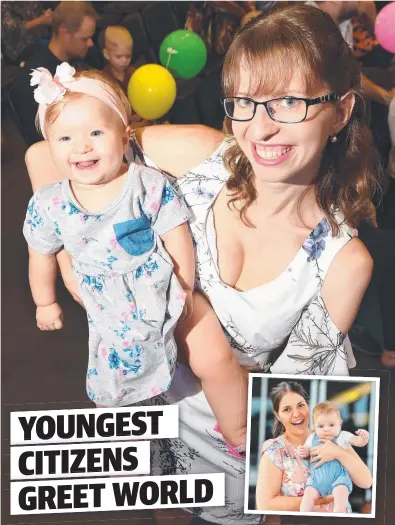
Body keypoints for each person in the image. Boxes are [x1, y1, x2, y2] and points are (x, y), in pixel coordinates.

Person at [25, 5, 376, 523]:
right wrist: (82, 276)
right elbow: (41, 156)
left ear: (341, 111)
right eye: (244, 102)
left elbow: (288, 425)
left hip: (232, 460)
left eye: (288, 101)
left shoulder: (342, 260)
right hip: (148, 416)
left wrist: (200, 323)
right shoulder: (196, 155)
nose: (260, 129)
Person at [22, 64, 247, 449]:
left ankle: (240, 431)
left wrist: (185, 287)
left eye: (96, 132)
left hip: (163, 289)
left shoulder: (145, 182)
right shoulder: (50, 203)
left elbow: (175, 232)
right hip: (110, 312)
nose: (82, 147)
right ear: (50, 145)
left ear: (124, 137)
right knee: (112, 388)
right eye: (64, 138)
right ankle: (126, 448)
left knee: (213, 356)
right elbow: (41, 253)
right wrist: (45, 302)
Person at [256, 382, 372, 513]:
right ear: (277, 415)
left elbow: (366, 481)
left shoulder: (333, 437)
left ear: (308, 406)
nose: (296, 414)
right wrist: (318, 500)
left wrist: (338, 453)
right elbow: (266, 505)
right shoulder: (275, 449)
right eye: (287, 409)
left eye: (301, 405)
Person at [12, 1, 99, 144]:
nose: (90, 44)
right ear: (65, 33)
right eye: (85, 38)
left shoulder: (83, 59)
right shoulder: (36, 80)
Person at [297, 401, 369, 513]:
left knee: (341, 495)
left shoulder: (342, 437)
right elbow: (306, 450)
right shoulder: (312, 438)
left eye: (331, 425)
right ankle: (303, 515)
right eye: (321, 426)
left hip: (338, 480)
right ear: (314, 426)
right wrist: (302, 451)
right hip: (316, 480)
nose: (326, 429)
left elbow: (357, 441)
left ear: (340, 424)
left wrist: (363, 438)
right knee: (307, 497)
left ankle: (337, 516)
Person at [101, 26, 135, 94]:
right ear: (106, 54)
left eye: (128, 56)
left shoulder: (133, 73)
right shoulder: (103, 78)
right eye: (119, 56)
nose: (124, 61)